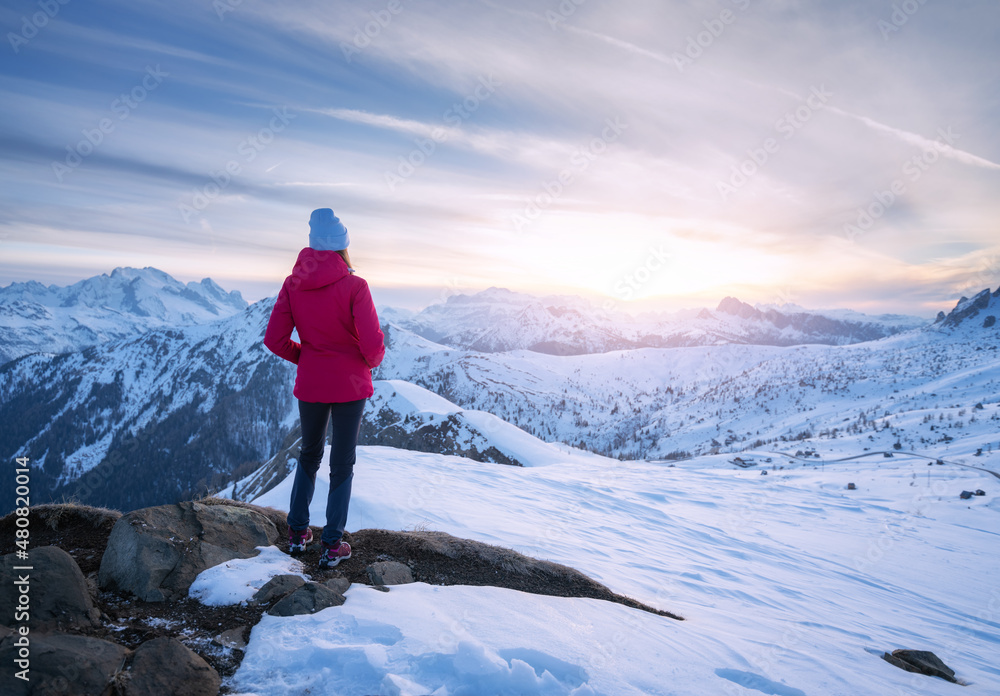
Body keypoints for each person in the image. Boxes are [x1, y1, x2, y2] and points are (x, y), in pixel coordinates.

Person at [264, 208, 385, 568]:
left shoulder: (292, 284)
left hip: (312, 382)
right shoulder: (355, 286)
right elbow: (373, 347)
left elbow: (274, 340)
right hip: (350, 385)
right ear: (343, 248)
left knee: (309, 454)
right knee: (342, 463)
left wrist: (307, 357)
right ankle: (332, 545)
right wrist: (364, 362)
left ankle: (298, 533)